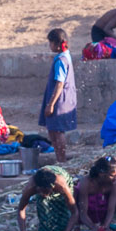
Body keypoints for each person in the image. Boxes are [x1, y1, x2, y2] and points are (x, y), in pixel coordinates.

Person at [15, 164, 76, 231]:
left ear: (52, 187)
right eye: (41, 192)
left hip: (61, 184)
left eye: (46, 191)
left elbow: (74, 213)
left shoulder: (62, 186)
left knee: (63, 218)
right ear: (37, 188)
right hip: (42, 183)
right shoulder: (31, 187)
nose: (44, 195)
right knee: (44, 219)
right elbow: (21, 209)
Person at [40, 27, 78, 159]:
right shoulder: (66, 56)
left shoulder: (61, 60)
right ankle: (60, 159)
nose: (49, 46)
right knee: (53, 130)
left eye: (50, 43)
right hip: (63, 98)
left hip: (59, 100)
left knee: (57, 131)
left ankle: (61, 160)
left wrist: (50, 104)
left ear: (56, 44)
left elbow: (60, 83)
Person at [70, 157, 116, 231]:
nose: (115, 178)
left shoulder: (114, 183)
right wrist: (94, 228)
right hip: (87, 211)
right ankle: (77, 226)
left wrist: (105, 226)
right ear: (102, 174)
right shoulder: (86, 183)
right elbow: (83, 213)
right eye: (112, 176)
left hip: (102, 209)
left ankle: (104, 223)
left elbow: (111, 209)